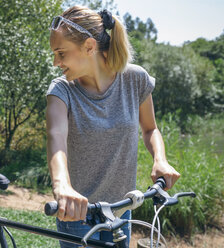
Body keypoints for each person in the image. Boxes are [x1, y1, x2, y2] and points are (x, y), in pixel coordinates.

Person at [46, 6, 180, 248]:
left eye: (61, 53)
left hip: (122, 208)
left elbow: (150, 129)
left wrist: (160, 159)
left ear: (89, 46)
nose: (56, 62)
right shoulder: (62, 90)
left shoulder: (135, 79)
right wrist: (61, 185)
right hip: (77, 212)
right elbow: (56, 139)